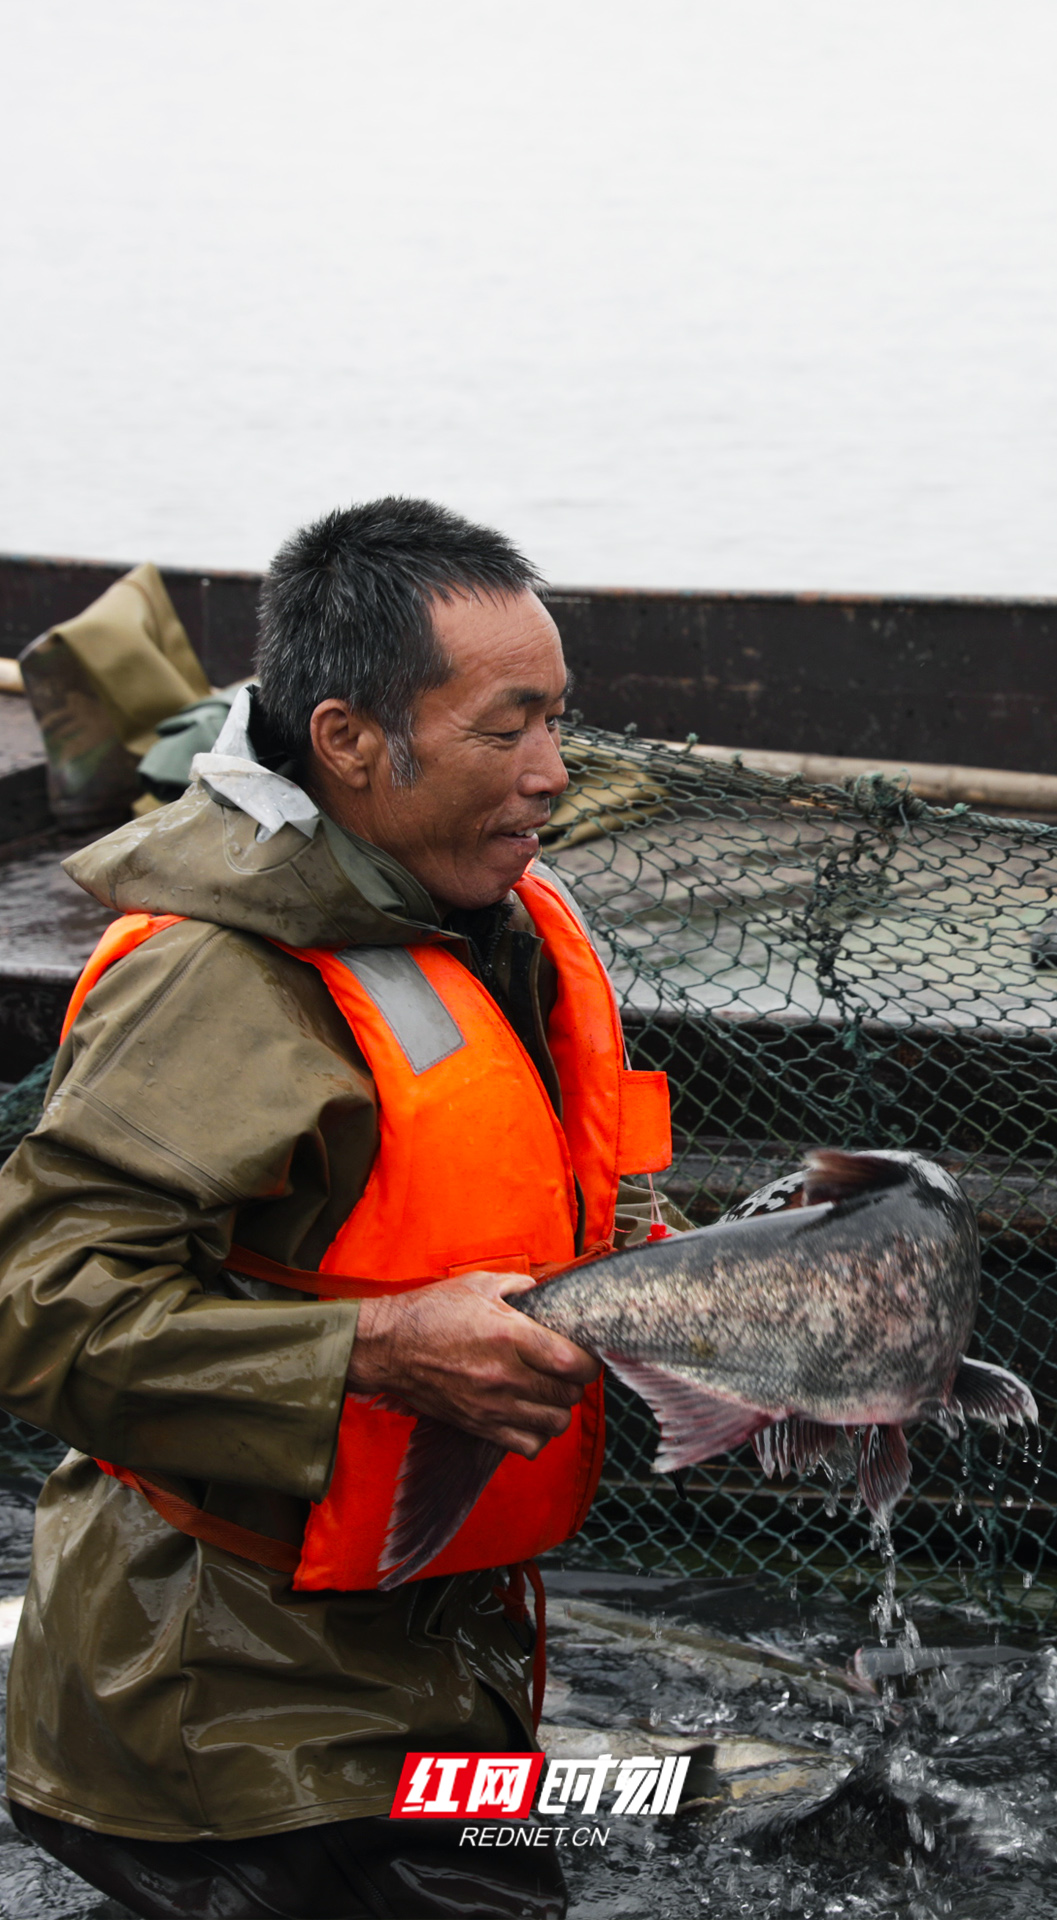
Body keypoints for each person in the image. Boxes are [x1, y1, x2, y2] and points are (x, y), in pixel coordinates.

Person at [0, 499, 677, 1920]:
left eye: (559, 719)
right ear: (350, 740)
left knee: (604, 1820)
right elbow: (37, 1315)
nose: (554, 773)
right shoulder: (213, 981)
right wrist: (376, 1353)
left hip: (439, 1660)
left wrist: (686, 1301)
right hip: (236, 1717)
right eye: (507, 730)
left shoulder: (491, 925)